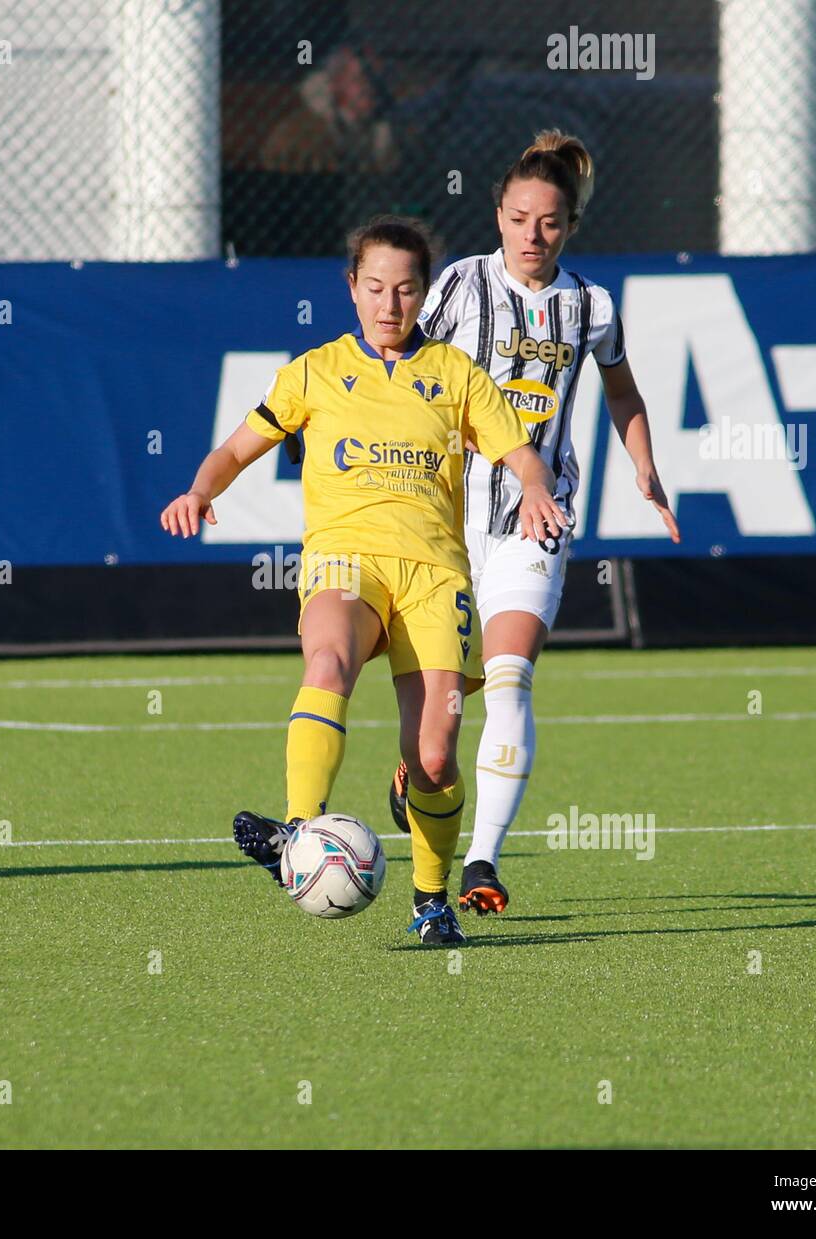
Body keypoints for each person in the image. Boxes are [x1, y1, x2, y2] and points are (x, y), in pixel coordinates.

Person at [160, 215, 566, 945]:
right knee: (329, 659)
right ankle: (296, 829)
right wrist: (199, 490)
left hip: (435, 575)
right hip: (345, 558)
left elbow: (521, 454)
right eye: (375, 287)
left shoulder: (454, 375)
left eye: (405, 290)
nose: (389, 303)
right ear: (351, 288)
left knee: (434, 755)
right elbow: (235, 447)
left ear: (423, 294)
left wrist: (535, 489)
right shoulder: (313, 371)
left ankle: (432, 898)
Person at [388, 132, 681, 917]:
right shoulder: (457, 287)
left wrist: (644, 465)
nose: (531, 235)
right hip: (443, 517)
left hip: (536, 515)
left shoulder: (591, 304)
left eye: (548, 223)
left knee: (511, 675)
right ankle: (414, 771)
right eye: (519, 218)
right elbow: (411, 375)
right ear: (498, 214)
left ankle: (482, 858)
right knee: (440, 717)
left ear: (570, 226)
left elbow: (623, 392)